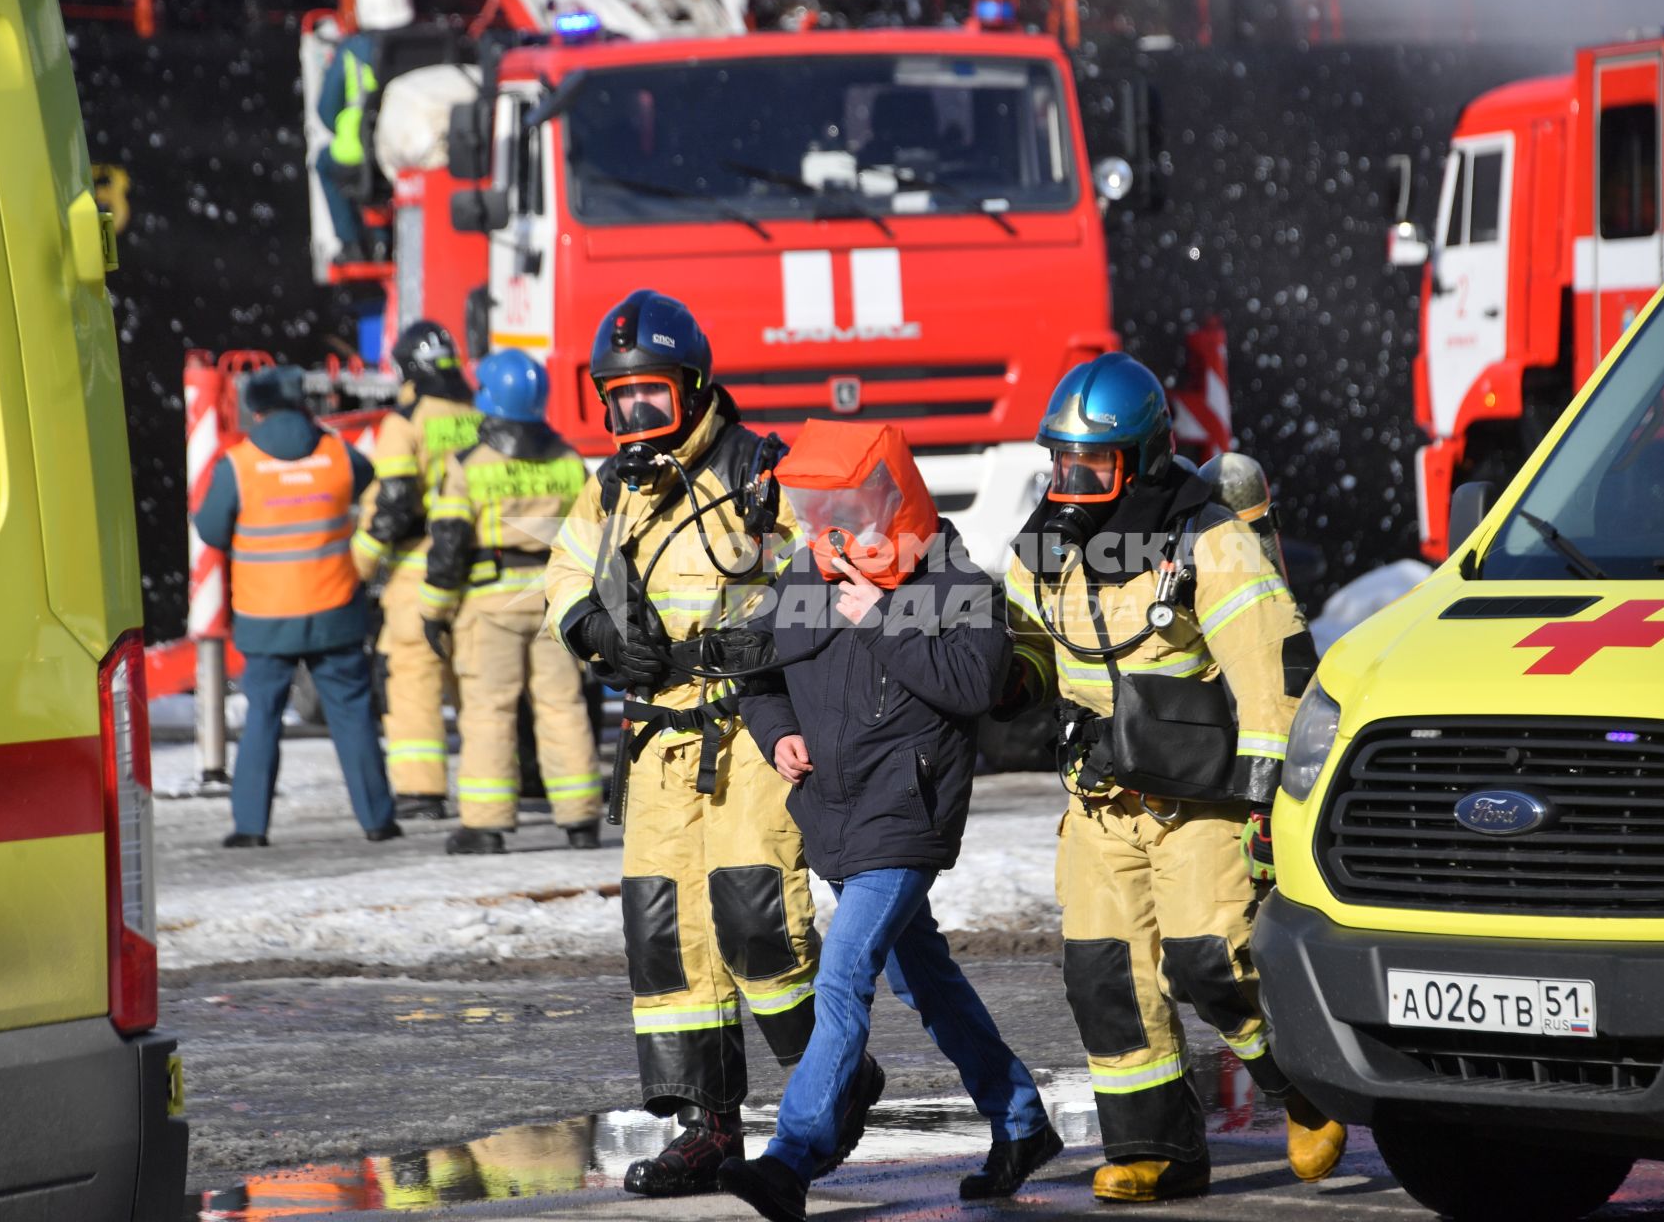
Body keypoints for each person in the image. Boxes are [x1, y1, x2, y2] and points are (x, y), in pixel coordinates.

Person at [996, 352, 1344, 1202]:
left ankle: (1303, 1091)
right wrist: (1001, 676)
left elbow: (1272, 671)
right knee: (1104, 975)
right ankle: (1156, 1149)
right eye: (1061, 461)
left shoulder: (1206, 537)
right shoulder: (1044, 545)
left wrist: (1268, 798)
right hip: (1098, 802)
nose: (1070, 483)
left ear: (1145, 458)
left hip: (1198, 804)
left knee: (1212, 963)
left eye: (1093, 465)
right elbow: (1030, 651)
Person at [547, 290, 863, 1197]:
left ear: (693, 387)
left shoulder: (761, 471)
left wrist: (775, 633)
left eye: (650, 398)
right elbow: (566, 574)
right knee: (664, 935)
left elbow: (840, 567)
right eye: (618, 401)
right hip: (656, 742)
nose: (634, 419)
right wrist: (597, 633)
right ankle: (706, 1128)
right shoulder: (608, 490)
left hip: (745, 730)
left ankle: (830, 1085)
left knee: (756, 914)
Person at [719, 421, 1060, 1222]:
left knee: (842, 978)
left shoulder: (953, 578)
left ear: (891, 494)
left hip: (907, 816)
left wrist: (881, 616)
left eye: (847, 504)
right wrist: (778, 737)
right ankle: (1021, 1121)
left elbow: (975, 685)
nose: (831, 525)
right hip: (835, 815)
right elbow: (759, 677)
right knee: (925, 979)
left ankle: (791, 1160)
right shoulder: (808, 571)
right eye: (818, 508)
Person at [192, 366, 400, 847]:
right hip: (335, 610)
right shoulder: (337, 454)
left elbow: (211, 530)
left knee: (262, 716)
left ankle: (250, 827)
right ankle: (377, 819)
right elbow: (367, 480)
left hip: (266, 617)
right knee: (352, 715)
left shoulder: (238, 464)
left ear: (256, 410)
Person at [418, 349, 601, 854]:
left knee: (488, 711)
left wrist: (433, 611)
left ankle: (487, 824)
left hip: (489, 606)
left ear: (487, 399)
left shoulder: (467, 465)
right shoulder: (568, 461)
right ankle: (581, 817)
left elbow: (449, 547)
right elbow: (594, 534)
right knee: (562, 706)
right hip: (555, 601)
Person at [352, 320, 482, 820]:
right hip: (475, 565)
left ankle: (422, 791)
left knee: (412, 675)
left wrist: (358, 565)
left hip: (417, 565)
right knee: (476, 682)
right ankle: (497, 778)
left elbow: (394, 501)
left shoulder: (404, 422)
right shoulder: (478, 416)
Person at [315, 0, 412, 262]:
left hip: (364, 151)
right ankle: (388, 241)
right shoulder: (424, 44)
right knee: (390, 185)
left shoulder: (352, 50)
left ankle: (352, 244)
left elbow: (326, 111)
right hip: (414, 146)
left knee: (324, 164)